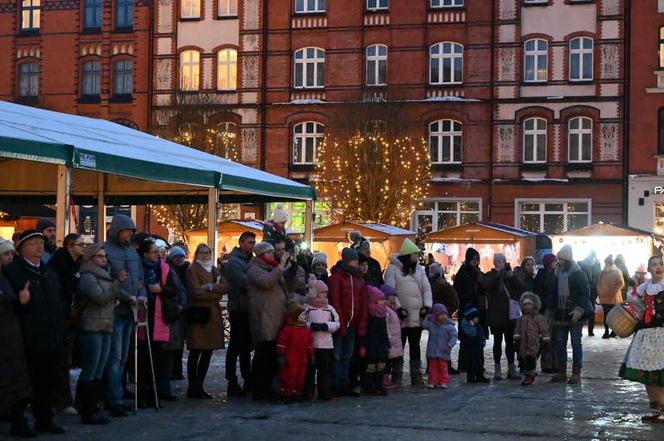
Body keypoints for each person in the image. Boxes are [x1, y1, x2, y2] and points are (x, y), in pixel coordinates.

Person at [4, 230, 66, 434]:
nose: (39, 247)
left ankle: (44, 419)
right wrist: (21, 303)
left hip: (51, 335)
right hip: (26, 337)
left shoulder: (49, 271)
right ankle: (18, 420)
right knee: (24, 381)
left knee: (47, 381)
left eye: (41, 243)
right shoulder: (13, 272)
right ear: (21, 248)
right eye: (33, 244)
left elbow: (58, 300)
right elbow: (9, 306)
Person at [75, 243, 123, 425]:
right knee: (91, 369)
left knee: (99, 370)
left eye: (105, 257)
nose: (104, 259)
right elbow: (100, 298)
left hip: (105, 325)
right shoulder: (88, 276)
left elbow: (107, 298)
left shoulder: (104, 275)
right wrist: (118, 285)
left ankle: (93, 406)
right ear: (91, 258)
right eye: (100, 256)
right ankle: (87, 410)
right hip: (92, 326)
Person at [103, 214, 145, 417]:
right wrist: (128, 296)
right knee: (115, 357)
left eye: (132, 231)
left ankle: (117, 394)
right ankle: (114, 398)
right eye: (127, 230)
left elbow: (140, 278)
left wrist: (142, 294)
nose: (130, 234)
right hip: (116, 310)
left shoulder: (132, 253)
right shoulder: (106, 251)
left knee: (124, 357)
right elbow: (106, 280)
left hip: (131, 311)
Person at [619, 255, 664, 423]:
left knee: (661, 372)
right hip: (647, 332)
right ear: (649, 269)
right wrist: (640, 311)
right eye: (654, 265)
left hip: (662, 333)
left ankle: (663, 409)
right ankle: (655, 409)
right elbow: (631, 297)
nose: (658, 267)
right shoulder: (645, 286)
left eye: (660, 264)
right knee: (647, 373)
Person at [384, 238, 432, 386]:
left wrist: (427, 306)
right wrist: (398, 308)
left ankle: (416, 376)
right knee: (399, 345)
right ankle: (396, 375)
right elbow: (390, 290)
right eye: (414, 255)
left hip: (417, 315)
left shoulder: (419, 270)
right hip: (401, 316)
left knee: (415, 345)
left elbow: (426, 288)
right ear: (407, 255)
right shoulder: (393, 269)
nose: (416, 257)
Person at [247, 241, 292, 400]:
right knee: (263, 357)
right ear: (260, 255)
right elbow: (266, 282)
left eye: (273, 252)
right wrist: (280, 267)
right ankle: (260, 389)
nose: (272, 255)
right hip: (265, 318)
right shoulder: (254, 269)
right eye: (269, 252)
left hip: (276, 318)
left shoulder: (273, 268)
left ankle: (269, 388)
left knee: (272, 358)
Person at [48, 233, 85, 417]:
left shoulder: (76, 264)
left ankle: (63, 399)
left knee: (66, 359)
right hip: (61, 318)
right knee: (61, 361)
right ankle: (61, 400)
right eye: (80, 245)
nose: (83, 248)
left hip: (72, 319)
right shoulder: (60, 265)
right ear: (70, 246)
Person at [185, 243, 228, 399]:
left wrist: (210, 287)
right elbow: (195, 292)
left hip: (212, 315)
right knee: (196, 350)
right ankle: (193, 386)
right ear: (196, 254)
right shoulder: (192, 270)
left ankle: (200, 385)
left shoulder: (214, 269)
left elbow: (225, 286)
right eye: (201, 252)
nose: (204, 255)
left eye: (206, 252)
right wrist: (215, 293)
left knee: (208, 351)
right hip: (198, 314)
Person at [546, 245, 592, 384]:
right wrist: (549, 310)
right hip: (560, 314)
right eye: (559, 258)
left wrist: (578, 310)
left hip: (574, 314)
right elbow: (553, 294)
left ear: (568, 259)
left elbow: (585, 293)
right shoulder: (557, 273)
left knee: (576, 343)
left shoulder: (578, 273)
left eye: (562, 259)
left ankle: (576, 373)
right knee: (560, 344)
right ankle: (562, 372)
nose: (560, 261)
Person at [0, 239, 33, 438]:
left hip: (11, 336)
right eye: (6, 254)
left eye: (12, 254)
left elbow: (14, 306)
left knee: (16, 379)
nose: (10, 257)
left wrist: (23, 302)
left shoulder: (7, 276)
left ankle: (16, 420)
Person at [329, 247, 367, 396]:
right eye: (353, 260)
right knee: (337, 355)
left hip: (353, 324)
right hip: (340, 323)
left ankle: (344, 383)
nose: (356, 263)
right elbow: (335, 301)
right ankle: (336, 384)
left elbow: (362, 302)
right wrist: (340, 323)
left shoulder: (358, 279)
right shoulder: (337, 278)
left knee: (347, 355)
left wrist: (360, 325)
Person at [223, 231, 256, 397]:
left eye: (253, 242)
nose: (252, 245)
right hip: (238, 308)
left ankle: (247, 378)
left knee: (245, 347)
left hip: (249, 308)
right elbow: (245, 282)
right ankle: (232, 380)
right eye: (250, 242)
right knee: (236, 345)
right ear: (242, 243)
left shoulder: (251, 259)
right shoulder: (234, 262)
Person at [483, 253, 523, 380]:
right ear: (494, 262)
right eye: (498, 261)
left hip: (509, 314)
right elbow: (487, 287)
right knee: (497, 342)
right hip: (496, 314)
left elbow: (521, 287)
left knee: (510, 342)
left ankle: (511, 368)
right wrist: (499, 275)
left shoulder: (509, 276)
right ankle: (497, 369)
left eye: (503, 261)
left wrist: (512, 277)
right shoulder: (490, 275)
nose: (500, 263)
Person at [303, 279, 339, 401]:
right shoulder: (307, 307)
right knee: (309, 370)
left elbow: (336, 323)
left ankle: (324, 392)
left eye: (325, 293)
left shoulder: (329, 308)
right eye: (321, 292)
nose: (324, 295)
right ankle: (308, 392)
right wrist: (311, 326)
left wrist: (326, 326)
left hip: (326, 344)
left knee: (325, 371)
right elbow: (301, 322)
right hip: (310, 345)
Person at [453, 248, 486, 372]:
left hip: (477, 309)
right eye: (473, 259)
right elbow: (458, 290)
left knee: (477, 336)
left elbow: (483, 289)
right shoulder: (462, 273)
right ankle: (464, 364)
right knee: (466, 335)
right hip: (466, 309)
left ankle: (477, 363)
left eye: (477, 259)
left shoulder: (478, 272)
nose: (475, 262)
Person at [276, 302, 314, 404]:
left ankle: (296, 393)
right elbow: (282, 342)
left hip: (302, 357)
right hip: (291, 357)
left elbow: (309, 343)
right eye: (302, 316)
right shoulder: (288, 329)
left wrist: (311, 353)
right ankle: (285, 394)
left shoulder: (305, 330)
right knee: (288, 375)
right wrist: (281, 354)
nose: (304, 318)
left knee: (300, 376)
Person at [359, 286, 390, 396]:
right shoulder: (369, 314)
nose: (383, 302)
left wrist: (387, 343)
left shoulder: (383, 313)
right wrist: (363, 343)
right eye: (380, 300)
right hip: (371, 344)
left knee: (381, 366)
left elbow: (384, 329)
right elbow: (364, 329)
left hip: (381, 344)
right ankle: (369, 386)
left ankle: (379, 385)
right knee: (371, 367)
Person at [514, 292, 550, 386]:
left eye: (529, 304)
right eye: (525, 304)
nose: (527, 306)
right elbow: (517, 329)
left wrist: (545, 339)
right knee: (523, 359)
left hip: (533, 343)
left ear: (534, 305)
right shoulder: (521, 319)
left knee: (530, 359)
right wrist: (516, 338)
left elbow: (543, 329)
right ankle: (528, 373)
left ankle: (530, 376)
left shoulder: (538, 318)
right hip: (523, 344)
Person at [166, 246, 189, 381]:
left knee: (180, 342)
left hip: (184, 308)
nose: (180, 259)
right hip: (174, 308)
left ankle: (177, 370)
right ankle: (174, 370)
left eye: (181, 256)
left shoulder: (188, 269)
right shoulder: (169, 270)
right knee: (173, 341)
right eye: (177, 257)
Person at [422, 303, 458, 389]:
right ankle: (432, 381)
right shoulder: (432, 325)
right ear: (436, 316)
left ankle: (443, 381)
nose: (443, 317)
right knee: (432, 368)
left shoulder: (450, 326)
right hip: (433, 351)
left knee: (443, 367)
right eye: (441, 315)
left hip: (443, 350)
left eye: (445, 315)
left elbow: (454, 337)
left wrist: (449, 346)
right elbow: (424, 325)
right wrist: (425, 316)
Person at [533, 253, 558, 373]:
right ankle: (544, 364)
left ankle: (554, 363)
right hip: (543, 310)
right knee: (545, 337)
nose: (556, 263)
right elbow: (537, 291)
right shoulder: (541, 274)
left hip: (554, 310)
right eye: (554, 261)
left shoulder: (557, 274)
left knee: (554, 338)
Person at [380, 284, 404, 389]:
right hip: (390, 340)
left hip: (394, 339)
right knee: (387, 362)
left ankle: (387, 379)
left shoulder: (391, 309)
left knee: (390, 361)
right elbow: (385, 326)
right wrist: (388, 338)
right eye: (392, 296)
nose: (394, 298)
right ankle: (384, 379)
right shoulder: (386, 310)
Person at [460, 306, 489, 384]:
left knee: (479, 362)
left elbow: (481, 333)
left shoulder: (478, 324)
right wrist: (472, 326)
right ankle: (471, 377)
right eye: (476, 317)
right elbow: (472, 334)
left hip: (478, 347)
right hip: (471, 348)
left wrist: (483, 339)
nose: (478, 319)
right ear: (471, 318)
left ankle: (480, 376)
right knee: (471, 363)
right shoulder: (467, 325)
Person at [598, 255, 625, 339]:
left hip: (614, 298)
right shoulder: (603, 273)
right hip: (604, 298)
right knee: (606, 316)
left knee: (613, 316)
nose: (606, 265)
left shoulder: (617, 272)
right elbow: (598, 284)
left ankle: (613, 331)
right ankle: (606, 331)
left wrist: (615, 291)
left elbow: (621, 284)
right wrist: (600, 292)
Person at [578, 250, 601, 337]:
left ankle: (587, 331)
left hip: (590, 291)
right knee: (589, 311)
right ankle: (588, 331)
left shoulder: (583, 264)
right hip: (587, 291)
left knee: (586, 310)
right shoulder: (582, 264)